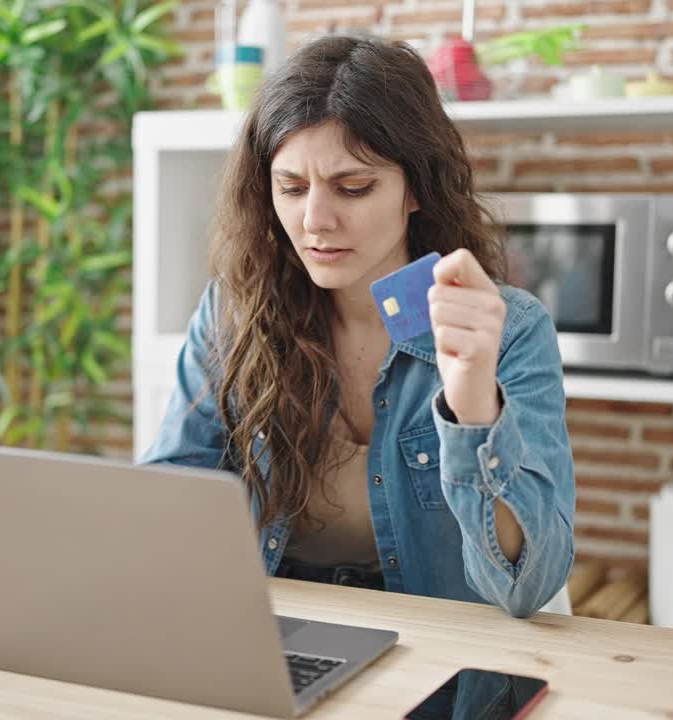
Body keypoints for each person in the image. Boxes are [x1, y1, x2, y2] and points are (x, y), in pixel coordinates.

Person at [140, 35, 574, 621]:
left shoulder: (512, 330)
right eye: (291, 188)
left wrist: (474, 405)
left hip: (439, 665)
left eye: (353, 188)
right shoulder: (232, 313)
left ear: (417, 187)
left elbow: (525, 590)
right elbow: (169, 499)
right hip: (269, 635)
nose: (315, 220)